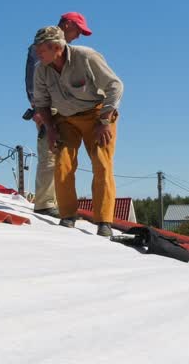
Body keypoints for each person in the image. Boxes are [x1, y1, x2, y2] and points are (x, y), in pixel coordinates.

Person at [30, 25, 124, 236]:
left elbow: (115, 86)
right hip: (65, 119)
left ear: (57, 47)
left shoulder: (86, 57)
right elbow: (42, 103)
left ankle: (104, 222)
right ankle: (68, 216)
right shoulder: (41, 70)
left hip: (97, 116)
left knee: (101, 163)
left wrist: (105, 120)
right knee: (62, 163)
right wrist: (51, 128)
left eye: (41, 49)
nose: (37, 53)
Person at [23, 12, 93, 217]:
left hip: (63, 107)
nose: (79, 35)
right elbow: (33, 80)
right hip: (48, 108)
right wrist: (37, 109)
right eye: (78, 30)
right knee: (50, 152)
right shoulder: (44, 47)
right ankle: (45, 203)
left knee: (62, 154)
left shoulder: (65, 51)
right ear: (68, 24)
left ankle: (54, 200)